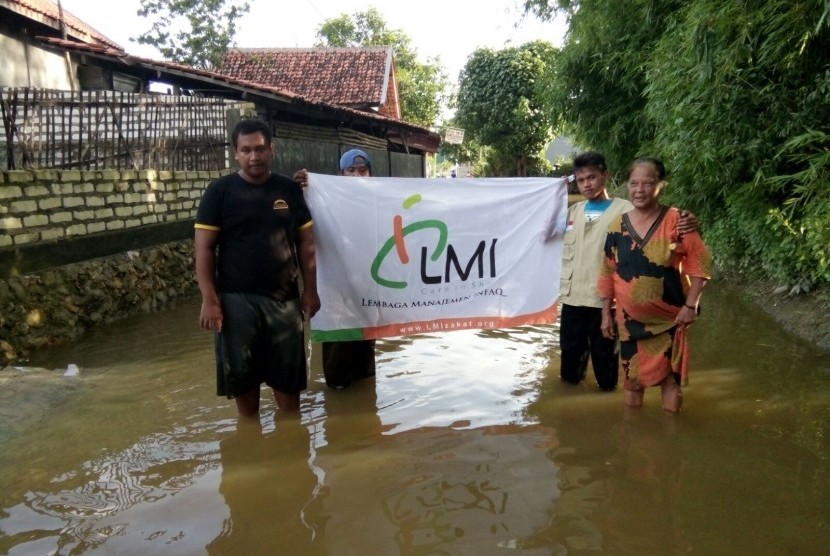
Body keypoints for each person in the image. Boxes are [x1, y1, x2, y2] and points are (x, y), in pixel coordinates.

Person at [194, 118, 320, 419]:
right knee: (243, 383)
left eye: (260, 149)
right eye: (247, 150)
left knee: (289, 387)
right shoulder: (219, 192)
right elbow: (204, 248)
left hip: (284, 300)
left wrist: (310, 291)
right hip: (236, 301)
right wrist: (209, 300)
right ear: (235, 153)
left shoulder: (288, 190)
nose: (255, 157)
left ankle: (290, 447)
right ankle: (250, 441)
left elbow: (306, 244)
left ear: (271, 150)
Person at [558, 151, 697, 392]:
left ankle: (606, 407)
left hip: (608, 302)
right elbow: (538, 231)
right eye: (581, 180)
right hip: (572, 300)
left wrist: (688, 218)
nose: (587, 184)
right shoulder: (572, 212)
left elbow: (659, 215)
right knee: (569, 364)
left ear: (605, 176)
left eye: (592, 177)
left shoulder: (626, 210)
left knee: (606, 366)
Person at [597, 157, 712, 413]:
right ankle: (632, 436)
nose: (640, 190)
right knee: (632, 380)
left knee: (668, 381)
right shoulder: (617, 226)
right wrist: (606, 312)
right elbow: (607, 271)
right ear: (626, 185)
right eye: (634, 183)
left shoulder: (678, 221)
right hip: (628, 322)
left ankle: (670, 436)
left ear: (661, 185)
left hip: (670, 320)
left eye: (648, 183)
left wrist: (690, 306)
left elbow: (700, 267)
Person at [293, 149, 377, 389]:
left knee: (365, 360)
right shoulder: (323, 200)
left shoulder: (378, 203)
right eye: (350, 170)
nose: (356, 176)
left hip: (368, 290)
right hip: (335, 290)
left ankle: (365, 406)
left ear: (371, 173)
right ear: (340, 174)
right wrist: (299, 190)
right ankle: (338, 405)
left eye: (362, 170)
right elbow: (301, 225)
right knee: (337, 353)